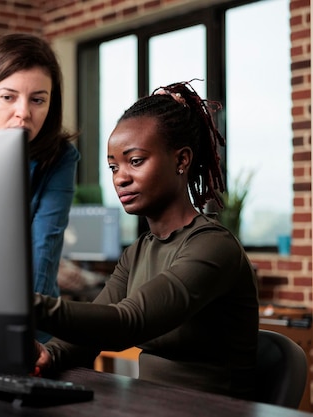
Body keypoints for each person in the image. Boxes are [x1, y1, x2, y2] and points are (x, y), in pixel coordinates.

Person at [33, 81, 259, 400]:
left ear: (181, 161)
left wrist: (23, 304)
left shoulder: (213, 246)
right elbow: (93, 329)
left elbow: (127, 322)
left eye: (135, 161)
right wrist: (49, 354)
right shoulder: (139, 251)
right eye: (113, 167)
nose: (120, 177)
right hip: (150, 406)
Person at [0, 33, 80, 342]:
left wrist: (18, 333)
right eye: (8, 97)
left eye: (38, 99)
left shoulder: (60, 158)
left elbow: (43, 249)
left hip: (32, 323)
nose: (24, 112)